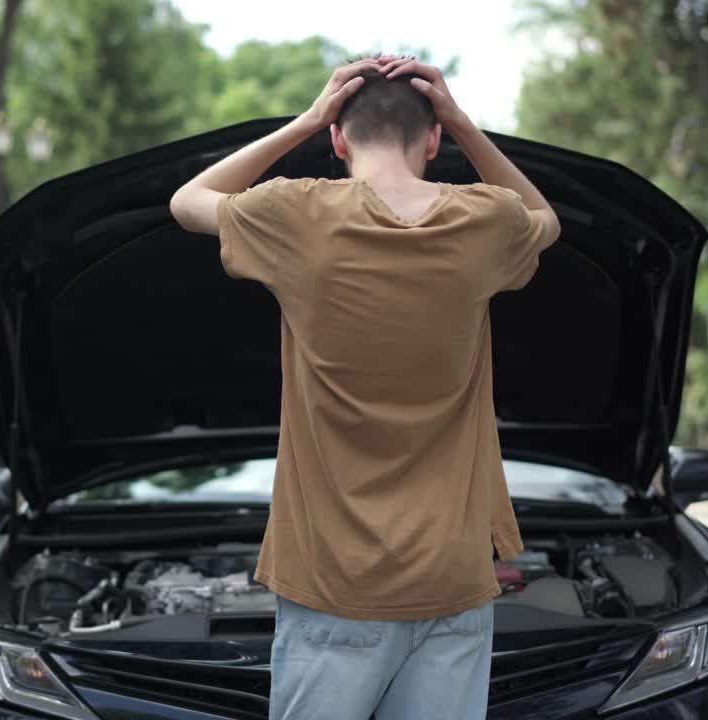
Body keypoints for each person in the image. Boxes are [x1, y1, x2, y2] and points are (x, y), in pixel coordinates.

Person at [169, 55, 561, 720]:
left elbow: (186, 202)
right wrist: (465, 121)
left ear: (338, 139)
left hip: (333, 584)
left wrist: (304, 120)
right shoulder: (484, 221)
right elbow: (544, 218)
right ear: (432, 138)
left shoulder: (297, 213)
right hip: (452, 581)